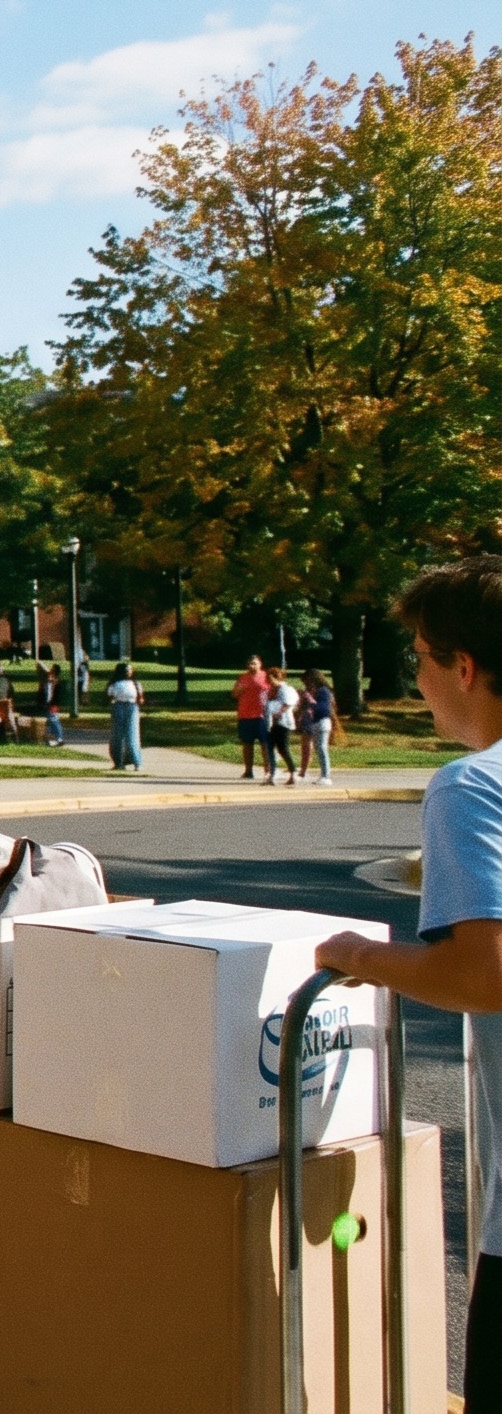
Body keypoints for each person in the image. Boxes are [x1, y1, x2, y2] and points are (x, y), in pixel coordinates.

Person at [313, 557, 502, 1414]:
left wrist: (358, 954)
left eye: (422, 660)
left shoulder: (470, 788)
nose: (419, 684)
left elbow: (480, 971)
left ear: (464, 665)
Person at [233, 654, 271, 780]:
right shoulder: (243, 677)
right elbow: (234, 694)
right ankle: (248, 771)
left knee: (265, 744)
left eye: (254, 663)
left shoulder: (266, 677)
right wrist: (239, 690)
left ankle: (269, 770)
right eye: (250, 663)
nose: (251, 665)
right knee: (247, 744)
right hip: (245, 715)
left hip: (261, 715)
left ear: (260, 664)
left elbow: (274, 692)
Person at [265, 665, 302, 786]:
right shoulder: (272, 690)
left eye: (271, 679)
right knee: (269, 747)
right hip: (272, 723)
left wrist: (279, 713)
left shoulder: (285, 689)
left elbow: (289, 703)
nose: (269, 682)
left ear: (277, 678)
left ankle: (293, 773)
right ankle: (272, 774)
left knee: (283, 748)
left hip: (283, 723)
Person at [106, 662, 145, 772]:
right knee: (117, 736)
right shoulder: (114, 683)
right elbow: (109, 695)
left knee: (132, 735)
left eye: (130, 670)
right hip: (118, 706)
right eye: (127, 670)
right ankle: (119, 763)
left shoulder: (135, 683)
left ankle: (137, 762)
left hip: (132, 706)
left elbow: (141, 698)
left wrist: (140, 701)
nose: (129, 672)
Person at [303, 667, 337, 786]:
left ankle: (326, 776)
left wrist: (310, 701)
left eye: (308, 680)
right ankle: (323, 774)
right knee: (318, 749)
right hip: (316, 723)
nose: (307, 683)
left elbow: (323, 708)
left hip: (323, 722)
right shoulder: (316, 691)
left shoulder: (323, 691)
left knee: (322, 749)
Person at [38, 662, 66, 748]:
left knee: (54, 719)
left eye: (52, 669)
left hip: (53, 704)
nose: (50, 670)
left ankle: (59, 738)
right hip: (48, 704)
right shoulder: (48, 680)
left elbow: (56, 695)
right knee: (50, 721)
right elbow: (40, 665)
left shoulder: (56, 682)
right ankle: (51, 739)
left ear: (55, 672)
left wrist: (52, 703)